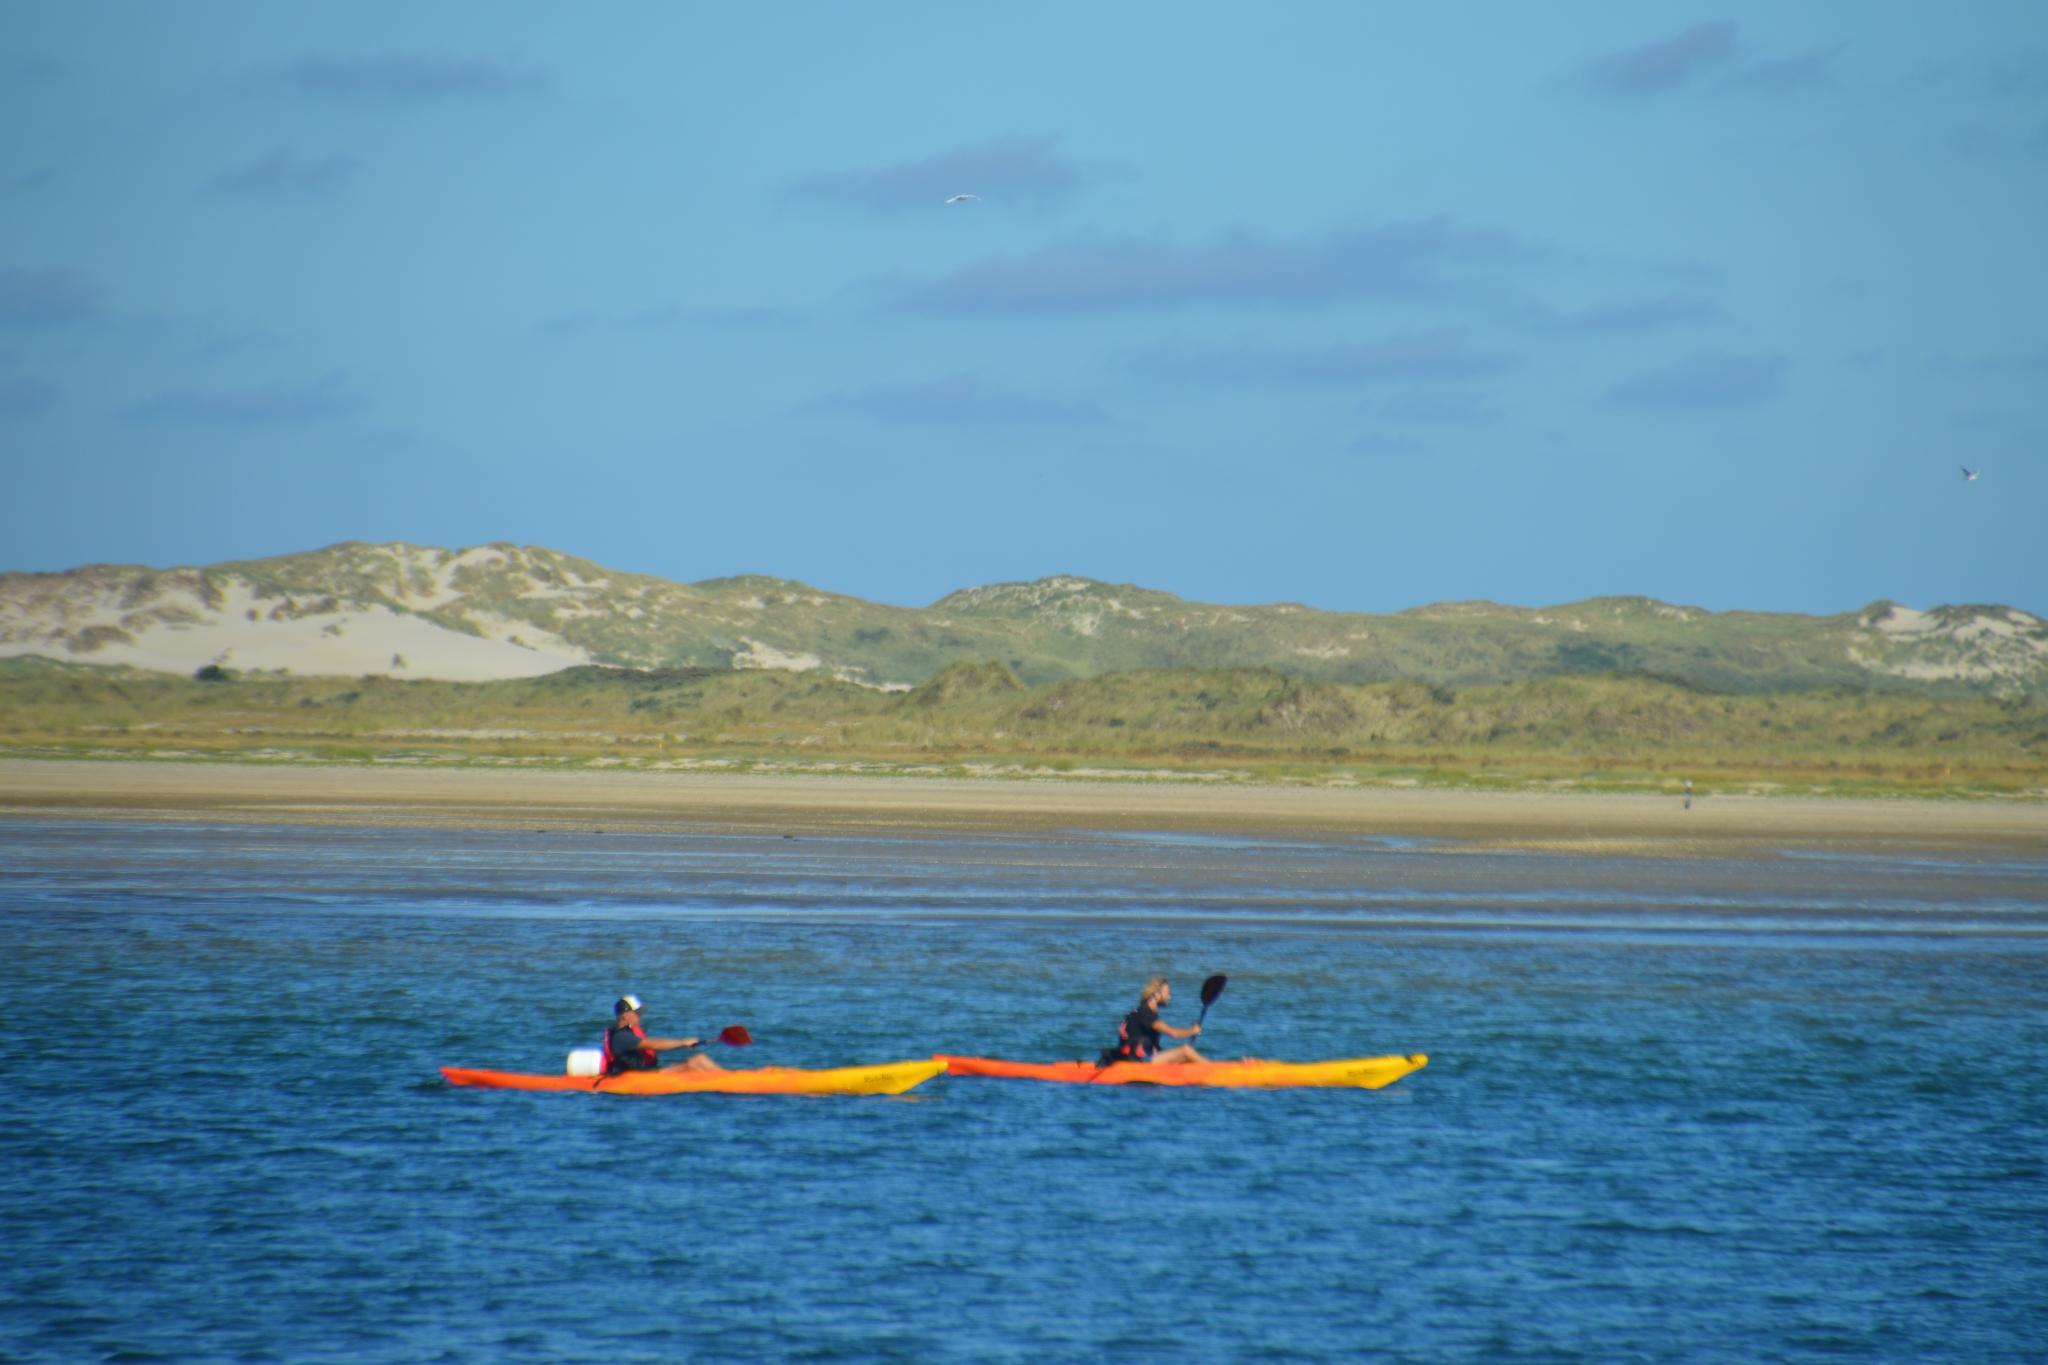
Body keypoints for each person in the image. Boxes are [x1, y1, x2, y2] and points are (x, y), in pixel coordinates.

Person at [601, 993, 722, 1076]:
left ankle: (726, 1078)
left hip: (648, 1072)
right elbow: (653, 1044)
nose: (639, 1017)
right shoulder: (621, 1037)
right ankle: (732, 1081)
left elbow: (649, 1050)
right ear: (625, 1016)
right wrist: (683, 1042)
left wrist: (682, 1045)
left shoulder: (627, 1034)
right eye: (637, 1013)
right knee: (698, 1061)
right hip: (642, 1077)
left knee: (698, 1061)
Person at [1100, 975, 1206, 1066]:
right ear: (1156, 994)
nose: (1170, 996)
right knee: (1185, 1050)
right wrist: (1193, 1031)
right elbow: (1173, 1033)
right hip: (1136, 1062)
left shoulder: (1142, 1011)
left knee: (1184, 1059)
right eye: (1167, 992)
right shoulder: (1145, 1013)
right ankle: (1217, 1072)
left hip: (1140, 1058)